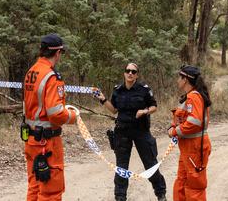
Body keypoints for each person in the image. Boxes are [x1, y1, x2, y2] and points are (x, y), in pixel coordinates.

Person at [94, 62, 167, 201]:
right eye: (128, 71)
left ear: (137, 75)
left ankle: (161, 194)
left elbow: (154, 106)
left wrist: (145, 111)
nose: (130, 73)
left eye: (133, 72)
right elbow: (114, 109)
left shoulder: (144, 89)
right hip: (122, 131)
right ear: (124, 73)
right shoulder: (118, 89)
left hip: (141, 131)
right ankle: (120, 197)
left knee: (150, 164)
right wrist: (102, 99)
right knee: (121, 168)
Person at [22, 33, 78, 201]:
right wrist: (73, 116)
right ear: (58, 53)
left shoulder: (31, 72)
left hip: (31, 140)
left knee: (35, 187)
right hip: (47, 143)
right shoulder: (52, 76)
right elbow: (55, 114)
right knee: (51, 192)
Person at [168, 65, 212, 201]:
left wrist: (175, 131)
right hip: (188, 148)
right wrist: (173, 126)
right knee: (182, 182)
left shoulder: (194, 97)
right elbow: (183, 118)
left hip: (195, 148)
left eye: (179, 78)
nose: (177, 80)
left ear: (185, 79)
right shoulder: (189, 97)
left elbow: (195, 122)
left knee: (194, 186)